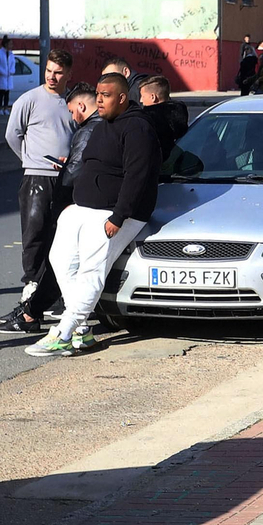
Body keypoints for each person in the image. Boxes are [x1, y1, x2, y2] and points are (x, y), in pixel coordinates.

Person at [26, 72, 162, 357]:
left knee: (92, 268)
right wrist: (70, 203)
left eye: (106, 95)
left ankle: (64, 331)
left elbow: (137, 177)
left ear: (123, 98)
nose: (99, 100)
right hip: (82, 208)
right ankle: (82, 330)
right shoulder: (102, 126)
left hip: (115, 213)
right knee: (60, 260)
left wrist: (119, 216)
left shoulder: (137, 128)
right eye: (98, 94)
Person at [0, 84, 101, 336]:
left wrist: (61, 198)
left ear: (82, 106)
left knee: (60, 261)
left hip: (79, 205)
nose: (72, 118)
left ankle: (51, 315)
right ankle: (37, 308)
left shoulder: (88, 131)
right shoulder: (102, 126)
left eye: (73, 112)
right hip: (85, 201)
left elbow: (74, 174)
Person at [5, 47, 75, 309]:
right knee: (34, 232)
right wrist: (30, 160)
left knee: (61, 236)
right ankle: (32, 286)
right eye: (48, 71)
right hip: (36, 177)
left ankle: (56, 292)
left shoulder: (72, 100)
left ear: (68, 73)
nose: (52, 77)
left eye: (58, 72)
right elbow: (12, 135)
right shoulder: (29, 100)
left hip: (66, 180)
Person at [137, 75, 191, 161]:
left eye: (142, 96)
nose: (141, 100)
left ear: (153, 97)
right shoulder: (180, 117)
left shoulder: (146, 119)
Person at [0, 36, 16, 110]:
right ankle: (0, 108)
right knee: (1, 93)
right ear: (6, 44)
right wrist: (3, 72)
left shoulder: (11, 54)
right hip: (2, 76)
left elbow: (13, 63)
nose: (11, 46)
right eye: (10, 44)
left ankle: (5, 108)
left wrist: (11, 71)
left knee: (7, 94)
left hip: (9, 76)